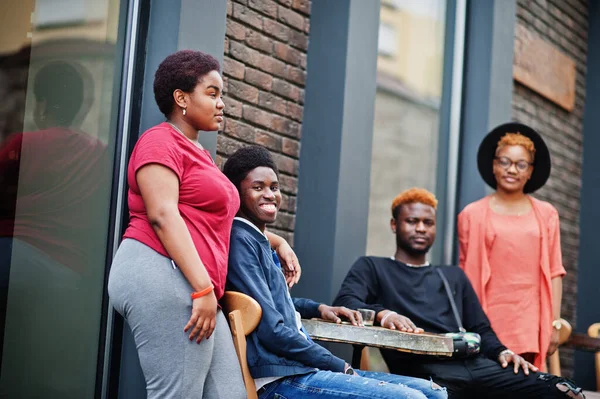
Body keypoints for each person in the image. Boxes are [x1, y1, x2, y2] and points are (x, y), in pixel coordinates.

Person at [107, 50, 299, 398]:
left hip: (195, 284)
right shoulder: (160, 141)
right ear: (181, 98)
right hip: (160, 270)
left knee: (231, 394)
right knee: (177, 393)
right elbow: (162, 215)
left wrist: (277, 244)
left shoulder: (200, 155)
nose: (221, 103)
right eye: (212, 93)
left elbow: (217, 226)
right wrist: (202, 289)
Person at [223, 146, 447, 399]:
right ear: (236, 192)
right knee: (412, 398)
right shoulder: (242, 242)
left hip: (301, 371)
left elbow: (275, 303)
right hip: (281, 380)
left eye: (274, 187)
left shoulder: (259, 240)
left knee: (433, 392)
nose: (270, 195)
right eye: (258, 187)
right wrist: (335, 363)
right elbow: (271, 329)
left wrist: (319, 309)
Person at [333, 188, 584, 399]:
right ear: (394, 225)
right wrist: (384, 314)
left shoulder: (452, 276)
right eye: (412, 221)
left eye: (428, 223)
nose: (421, 228)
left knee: (566, 391)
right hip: (424, 372)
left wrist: (503, 352)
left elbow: (481, 328)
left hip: (474, 363)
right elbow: (345, 302)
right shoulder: (373, 267)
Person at [458, 122, 565, 370]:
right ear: (494, 165)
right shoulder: (471, 215)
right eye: (504, 161)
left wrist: (554, 323)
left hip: (530, 321)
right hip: (486, 319)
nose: (512, 170)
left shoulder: (546, 214)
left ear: (530, 171)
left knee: (528, 385)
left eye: (521, 164)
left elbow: (555, 271)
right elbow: (465, 277)